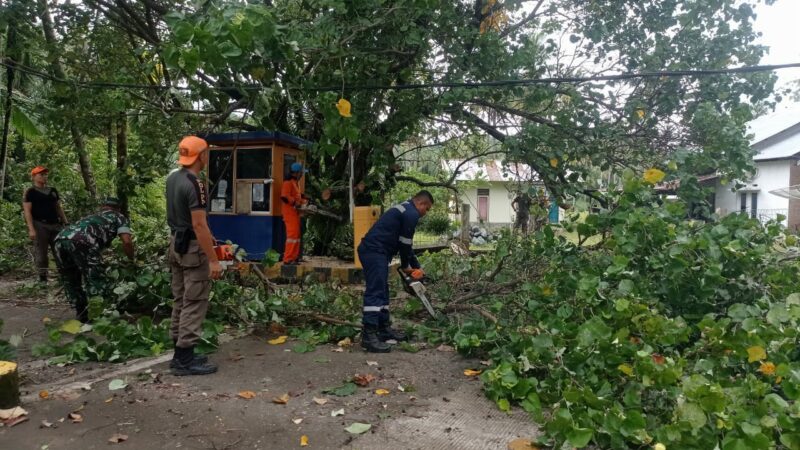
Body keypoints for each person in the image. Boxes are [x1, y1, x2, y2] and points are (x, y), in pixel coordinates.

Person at [166, 136, 222, 376]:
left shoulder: (172, 178)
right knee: (194, 300)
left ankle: (179, 352)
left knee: (180, 299)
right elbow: (199, 225)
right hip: (191, 248)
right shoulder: (195, 184)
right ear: (201, 156)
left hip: (175, 245)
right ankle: (185, 359)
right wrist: (213, 259)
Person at [357, 190, 434, 352]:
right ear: (421, 203)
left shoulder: (406, 209)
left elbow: (407, 246)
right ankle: (368, 335)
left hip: (378, 252)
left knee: (383, 290)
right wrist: (406, 266)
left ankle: (383, 329)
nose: (425, 213)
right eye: (426, 209)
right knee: (376, 290)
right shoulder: (411, 214)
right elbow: (404, 245)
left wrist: (417, 267)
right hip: (374, 251)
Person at [54, 197, 134, 323]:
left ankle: (81, 313)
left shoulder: (93, 217)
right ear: (118, 209)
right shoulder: (119, 217)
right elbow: (127, 242)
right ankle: (97, 314)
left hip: (60, 239)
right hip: (82, 240)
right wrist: (132, 260)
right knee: (95, 278)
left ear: (103, 207)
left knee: (70, 278)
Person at [22, 166, 68, 282]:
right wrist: (31, 229)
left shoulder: (52, 191)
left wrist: (65, 222)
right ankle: (43, 278)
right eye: (41, 174)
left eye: (45, 174)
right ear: (34, 177)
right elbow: (27, 211)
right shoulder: (30, 192)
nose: (44, 176)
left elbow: (58, 207)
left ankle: (64, 276)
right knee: (41, 254)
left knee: (60, 251)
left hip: (55, 224)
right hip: (40, 225)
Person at [280, 162, 309, 265]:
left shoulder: (295, 183)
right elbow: (284, 196)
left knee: (296, 236)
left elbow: (297, 196)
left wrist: (304, 200)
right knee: (292, 236)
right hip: (289, 213)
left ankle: (294, 257)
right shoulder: (287, 183)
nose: (302, 174)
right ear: (296, 173)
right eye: (301, 173)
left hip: (295, 213)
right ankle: (288, 259)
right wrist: (295, 202)